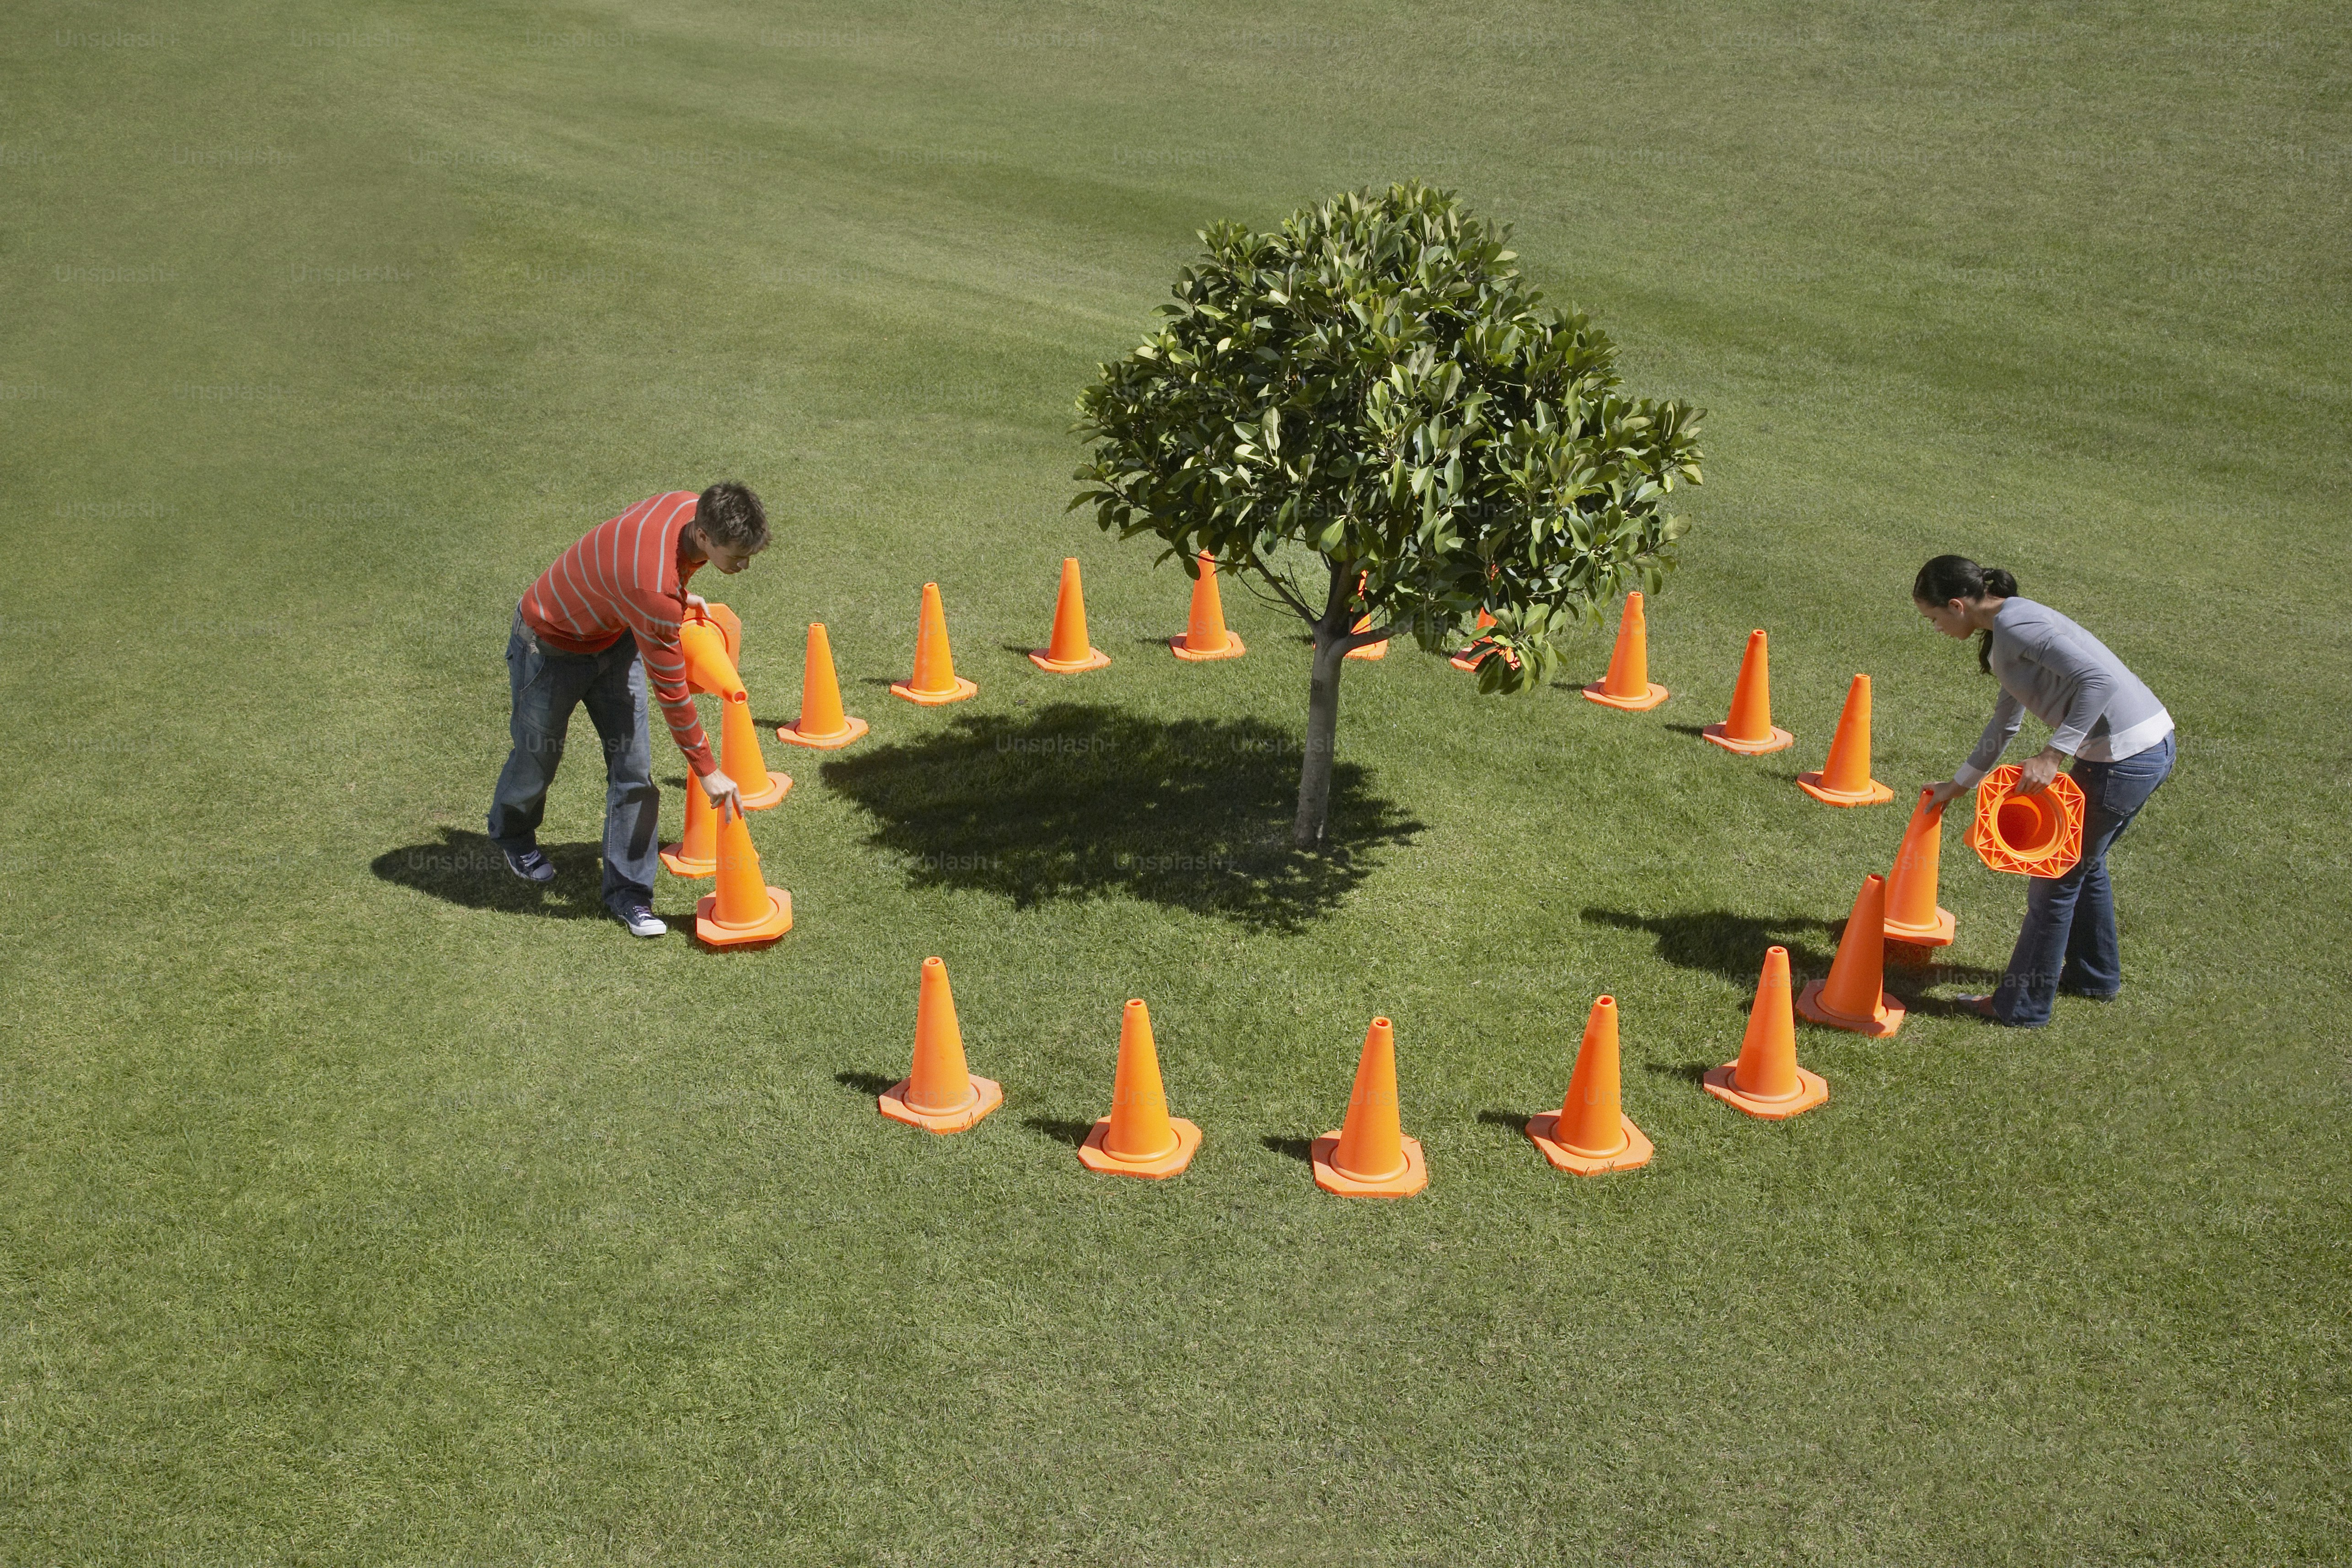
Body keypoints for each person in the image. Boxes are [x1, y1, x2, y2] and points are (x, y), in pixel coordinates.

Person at [487, 483, 769, 938]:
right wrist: (707, 769)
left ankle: (630, 895)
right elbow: (673, 692)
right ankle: (512, 835)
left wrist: (676, 594)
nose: (744, 566)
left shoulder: (685, 505)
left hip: (616, 638)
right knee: (536, 760)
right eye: (737, 556)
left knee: (635, 770)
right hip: (549, 645)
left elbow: (637, 533)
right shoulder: (652, 591)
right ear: (704, 534)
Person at [1914, 556, 2175, 1026]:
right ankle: (2095, 976)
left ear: (1957, 605)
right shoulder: (2005, 632)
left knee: (2054, 881)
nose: (1935, 629)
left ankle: (2022, 1007)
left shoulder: (2017, 628)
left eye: (1934, 618)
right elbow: (2004, 724)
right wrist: (1959, 784)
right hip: (2146, 746)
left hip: (2126, 757)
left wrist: (2054, 754)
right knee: (2082, 866)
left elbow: (2100, 681)